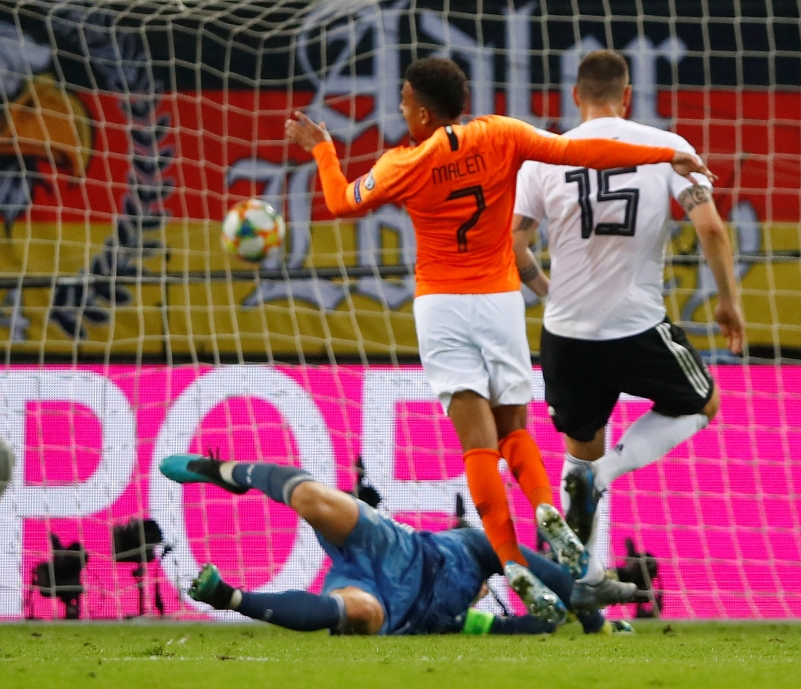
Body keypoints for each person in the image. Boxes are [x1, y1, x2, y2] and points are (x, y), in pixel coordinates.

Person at [285, 56, 715, 600]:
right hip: (498, 300)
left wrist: (322, 148)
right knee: (515, 428)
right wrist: (667, 153)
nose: (399, 109)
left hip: (442, 304)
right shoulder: (502, 135)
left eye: (403, 102)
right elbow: (579, 151)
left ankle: (512, 563)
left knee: (477, 447)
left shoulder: (402, 164)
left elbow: (340, 200)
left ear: (420, 110)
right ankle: (543, 505)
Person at [510, 50, 745, 584]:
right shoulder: (667, 148)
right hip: (636, 326)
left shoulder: (545, 155)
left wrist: (550, 292)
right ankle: (609, 474)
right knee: (703, 401)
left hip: (566, 334)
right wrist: (729, 300)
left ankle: (586, 584)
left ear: (575, 96)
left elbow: (514, 245)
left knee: (579, 452)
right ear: (628, 95)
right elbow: (710, 229)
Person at [159, 452, 638, 636]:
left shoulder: (468, 622)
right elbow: (524, 561)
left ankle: (232, 598)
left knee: (358, 613)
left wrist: (550, 623)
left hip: (382, 600)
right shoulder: (473, 552)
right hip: (392, 546)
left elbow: (529, 629)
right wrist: (593, 623)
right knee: (311, 496)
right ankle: (222, 472)